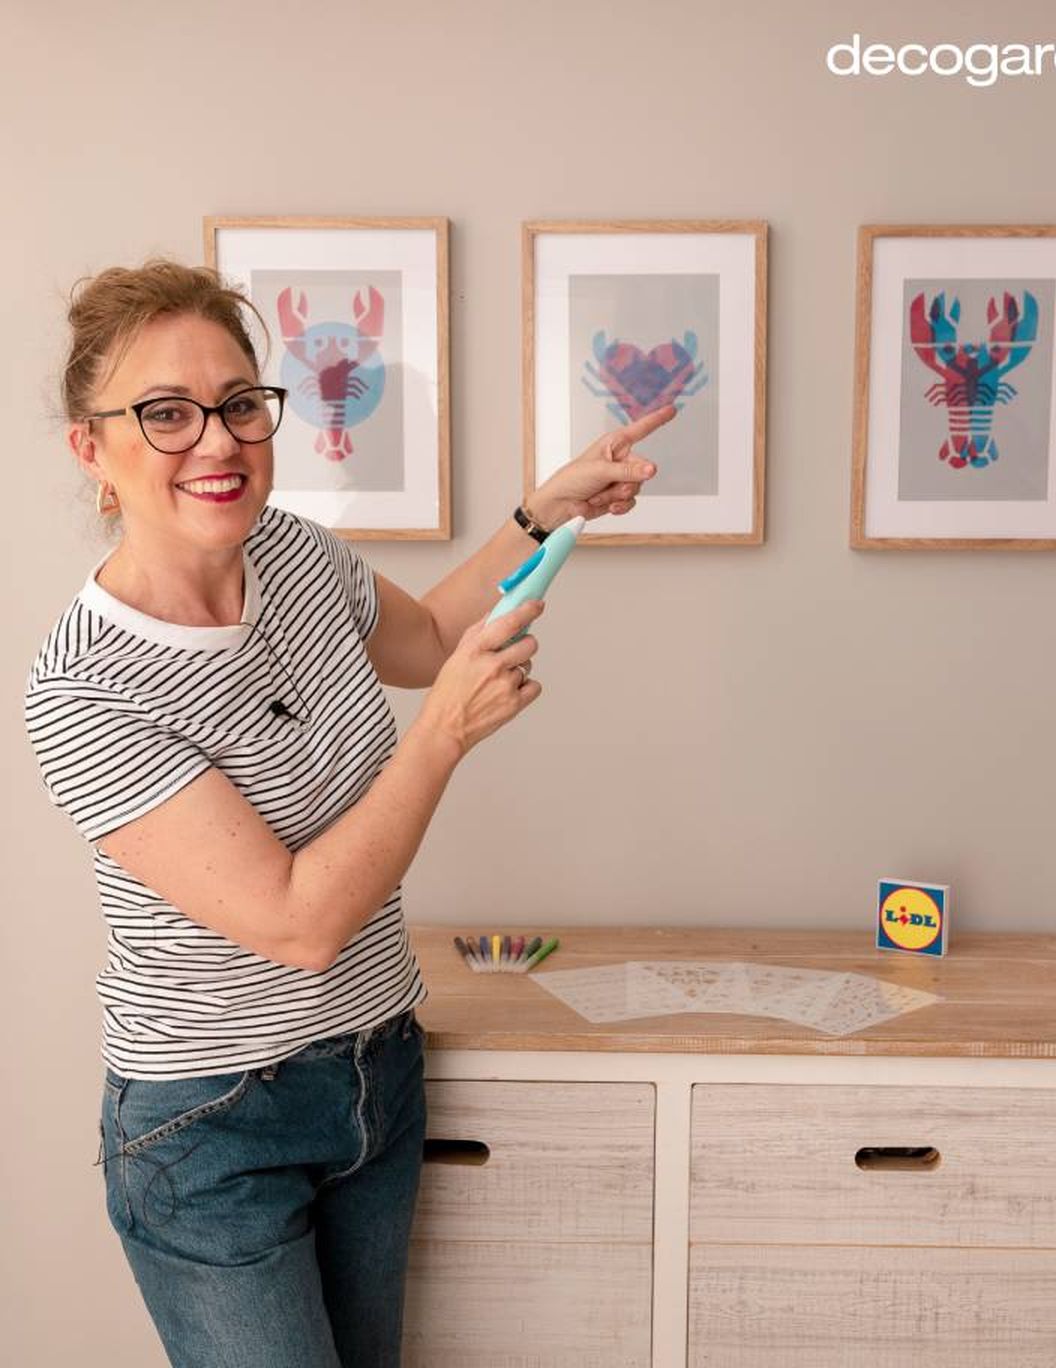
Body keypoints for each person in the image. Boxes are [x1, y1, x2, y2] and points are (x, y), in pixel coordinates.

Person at [24, 258, 675, 1368]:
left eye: (239, 403)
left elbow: (427, 639)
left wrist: (545, 511)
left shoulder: (288, 550)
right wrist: (443, 736)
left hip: (377, 1069)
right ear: (93, 448)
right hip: (212, 1129)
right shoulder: (85, 687)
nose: (218, 442)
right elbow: (299, 923)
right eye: (167, 414)